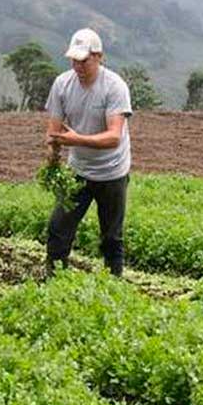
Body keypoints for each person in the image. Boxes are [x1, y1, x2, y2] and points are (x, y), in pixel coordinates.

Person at [44, 27, 133, 276]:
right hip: (78, 171)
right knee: (58, 229)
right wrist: (52, 154)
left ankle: (113, 284)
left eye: (83, 61)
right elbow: (54, 129)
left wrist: (76, 140)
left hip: (112, 172)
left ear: (98, 56)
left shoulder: (114, 87)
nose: (78, 66)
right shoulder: (62, 84)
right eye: (74, 60)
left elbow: (114, 137)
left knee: (111, 237)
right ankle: (53, 282)